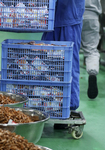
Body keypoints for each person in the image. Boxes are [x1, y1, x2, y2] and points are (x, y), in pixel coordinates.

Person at [41, 0, 85, 128]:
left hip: (69, 18)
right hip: (50, 19)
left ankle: (67, 107)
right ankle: (48, 103)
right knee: (47, 64)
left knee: (68, 64)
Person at [81, 0, 102, 99]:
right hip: (92, 16)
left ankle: (69, 79)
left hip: (74, 15)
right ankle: (92, 72)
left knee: (71, 49)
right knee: (91, 50)